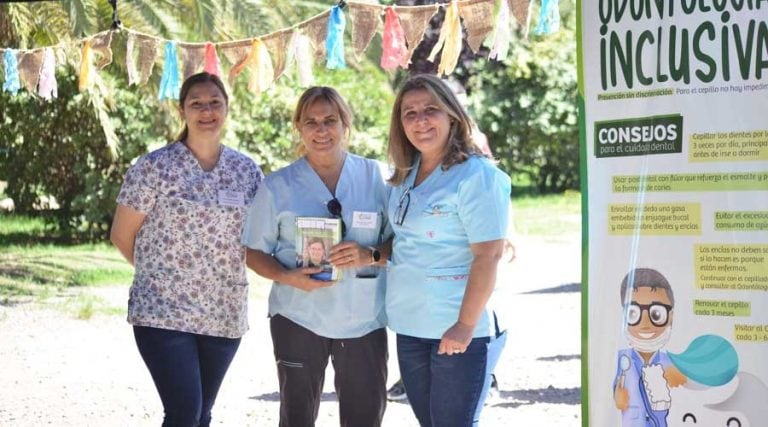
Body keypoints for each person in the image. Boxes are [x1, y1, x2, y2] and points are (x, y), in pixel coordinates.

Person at [110, 71, 263, 426]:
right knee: (183, 413)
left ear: (226, 108)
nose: (206, 111)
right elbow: (121, 235)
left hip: (223, 311)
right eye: (197, 103)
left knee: (202, 414)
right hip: (163, 311)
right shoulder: (153, 168)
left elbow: (258, 238)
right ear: (182, 110)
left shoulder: (246, 171)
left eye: (215, 102)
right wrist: (160, 278)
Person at [242, 86, 392, 426]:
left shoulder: (378, 177)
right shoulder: (277, 186)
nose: (321, 130)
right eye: (310, 122)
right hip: (298, 315)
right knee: (296, 416)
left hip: (364, 317)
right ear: (298, 127)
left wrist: (370, 254)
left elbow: (400, 242)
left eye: (330, 120)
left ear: (345, 123)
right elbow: (252, 251)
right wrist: (286, 276)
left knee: (365, 416)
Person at [385, 74, 511, 426]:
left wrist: (464, 325)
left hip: (457, 329)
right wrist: (373, 254)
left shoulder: (476, 175)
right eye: (409, 113)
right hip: (411, 325)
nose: (420, 120)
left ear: (452, 115)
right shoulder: (406, 175)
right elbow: (404, 239)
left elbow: (489, 255)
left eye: (430, 110)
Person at [613, 268, 687, 427]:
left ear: (671, 317)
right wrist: (616, 397)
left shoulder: (671, 364)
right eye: (633, 313)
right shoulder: (621, 359)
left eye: (656, 314)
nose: (645, 324)